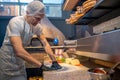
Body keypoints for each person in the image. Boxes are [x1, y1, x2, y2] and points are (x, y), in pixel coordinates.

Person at [0, 1, 62, 80]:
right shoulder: (16, 23)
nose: (39, 21)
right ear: (28, 13)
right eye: (37, 18)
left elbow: (45, 43)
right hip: (8, 62)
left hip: (20, 62)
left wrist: (54, 60)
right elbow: (18, 51)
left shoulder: (37, 27)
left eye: (41, 19)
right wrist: (41, 65)